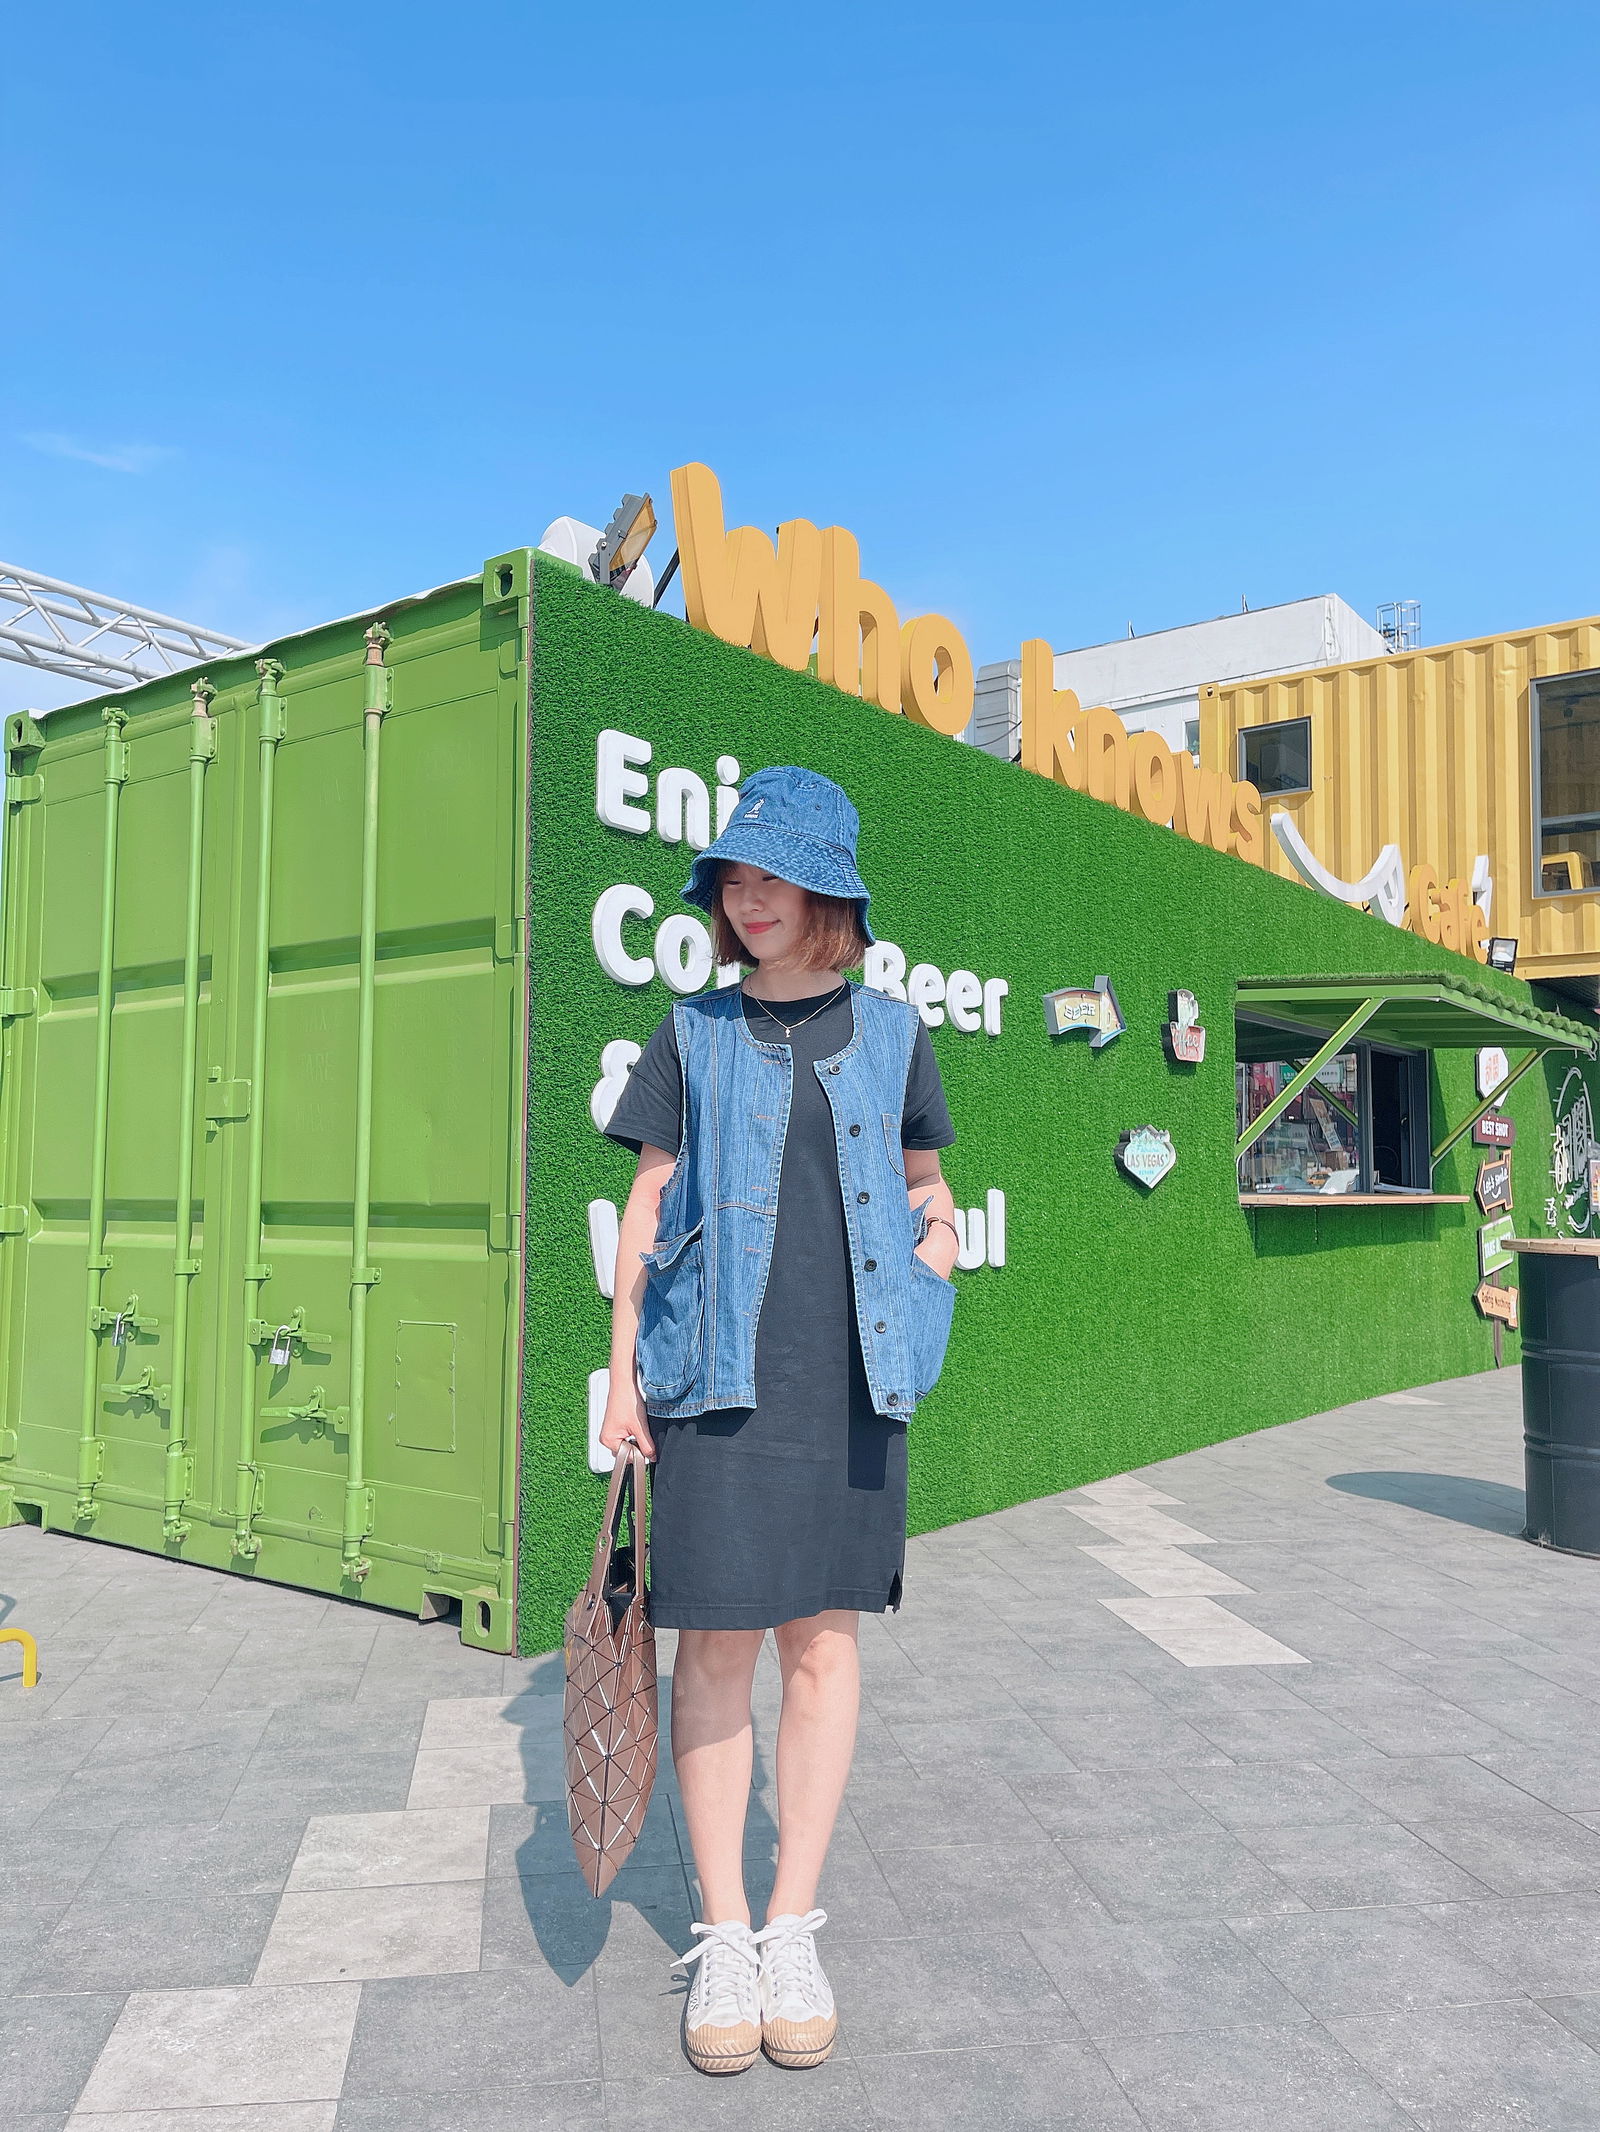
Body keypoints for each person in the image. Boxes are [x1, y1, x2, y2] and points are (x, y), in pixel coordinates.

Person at [599, 764, 959, 2076]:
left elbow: (926, 1186)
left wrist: (933, 1270)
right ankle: (725, 1935)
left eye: (775, 879)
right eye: (734, 880)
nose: (749, 901)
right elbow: (649, 1205)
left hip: (850, 1383)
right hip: (716, 1378)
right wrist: (623, 1373)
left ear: (829, 895)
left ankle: (793, 1926)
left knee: (823, 1648)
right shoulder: (690, 1031)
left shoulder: (896, 1033)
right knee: (713, 1651)